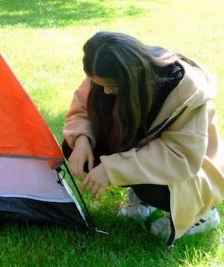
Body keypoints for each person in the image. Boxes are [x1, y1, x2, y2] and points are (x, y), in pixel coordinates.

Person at [62, 31, 223, 244]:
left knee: (153, 186)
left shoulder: (184, 88)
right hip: (139, 150)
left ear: (131, 75)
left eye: (112, 85)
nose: (107, 91)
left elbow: (180, 157)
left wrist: (112, 168)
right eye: (99, 84)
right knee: (75, 149)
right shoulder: (106, 71)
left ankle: (202, 213)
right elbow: (83, 107)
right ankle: (140, 198)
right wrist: (82, 139)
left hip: (191, 169)